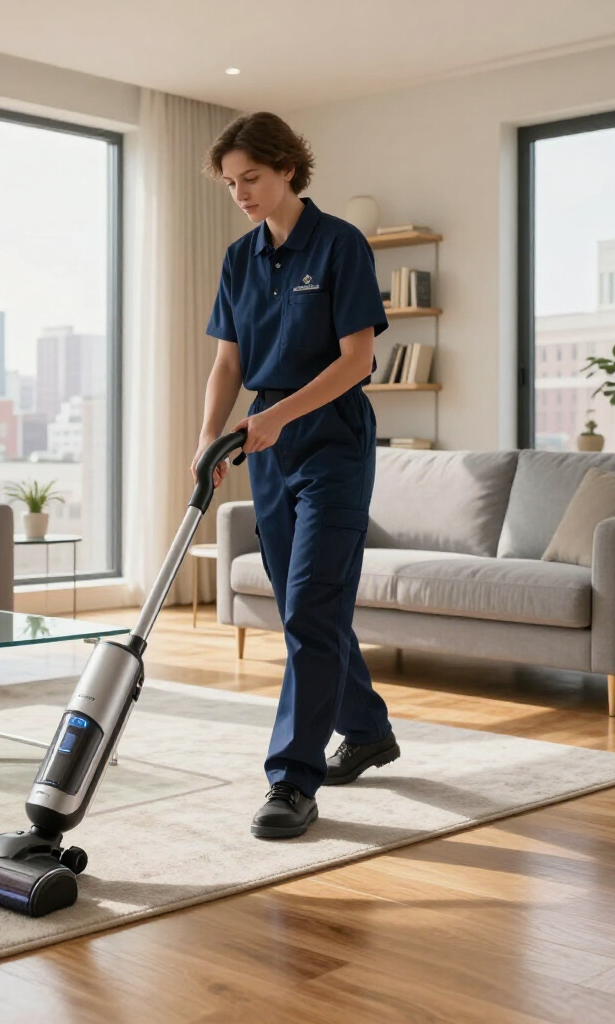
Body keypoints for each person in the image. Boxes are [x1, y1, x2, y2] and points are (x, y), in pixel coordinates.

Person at [193, 112, 400, 840]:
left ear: (286, 168)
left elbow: (357, 360)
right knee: (301, 610)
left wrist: (282, 417)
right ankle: (368, 730)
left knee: (312, 602)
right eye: (230, 183)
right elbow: (228, 363)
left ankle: (292, 780)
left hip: (332, 441)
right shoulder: (238, 258)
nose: (241, 192)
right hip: (266, 444)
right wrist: (208, 439)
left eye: (251, 177)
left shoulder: (339, 244)